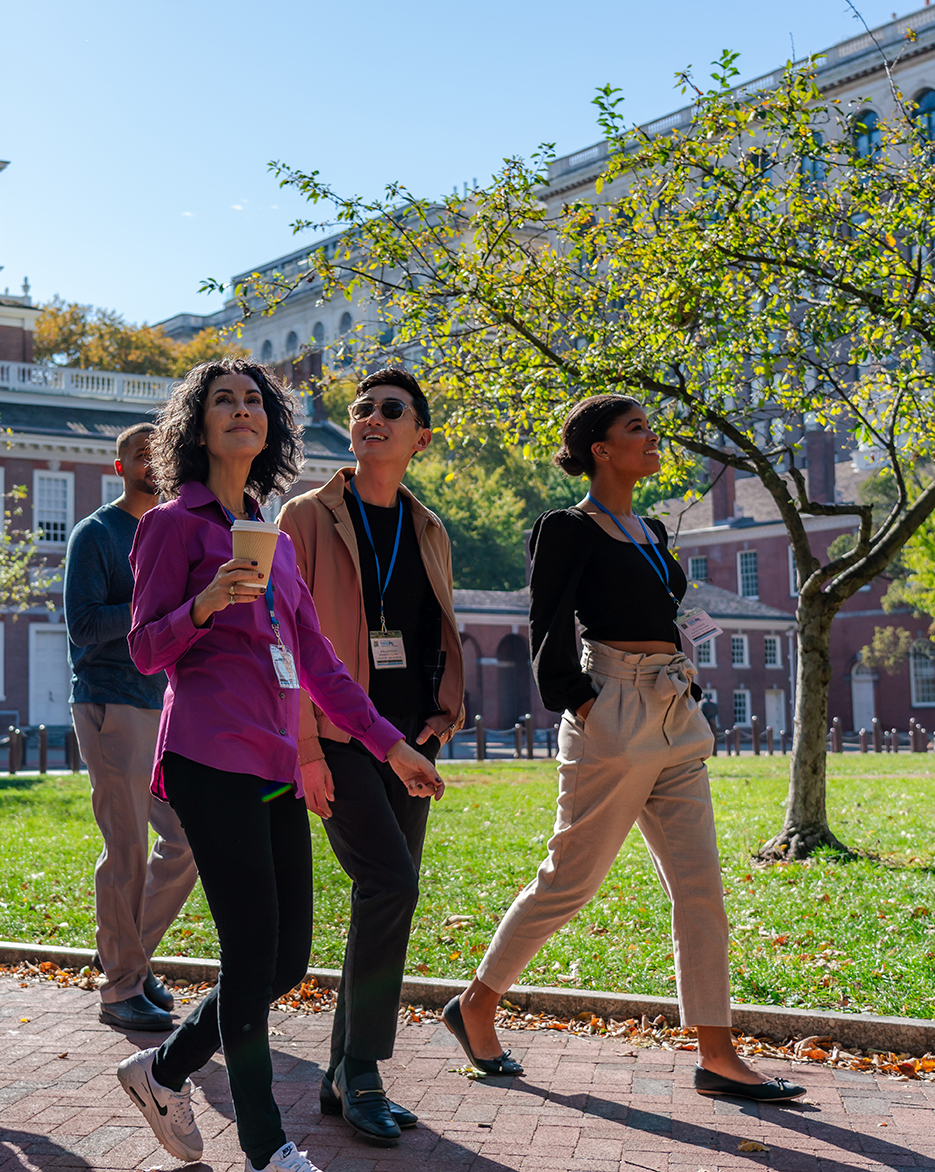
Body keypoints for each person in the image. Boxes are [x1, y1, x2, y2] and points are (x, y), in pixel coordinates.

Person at [116, 360, 446, 1172]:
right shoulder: (172, 523)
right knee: (249, 946)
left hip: (273, 762)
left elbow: (324, 668)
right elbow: (143, 646)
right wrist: (205, 603)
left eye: (254, 402)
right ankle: (267, 1146)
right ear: (197, 425)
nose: (241, 411)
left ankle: (161, 1071)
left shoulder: (269, 530)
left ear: (271, 428)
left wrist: (391, 744)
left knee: (288, 958)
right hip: (203, 755)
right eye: (223, 400)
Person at [445, 394, 806, 1103]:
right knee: (568, 881)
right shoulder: (567, 528)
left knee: (701, 887)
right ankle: (477, 1002)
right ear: (600, 450)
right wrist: (582, 700)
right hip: (610, 711)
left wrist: (687, 686)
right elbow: (545, 623)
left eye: (649, 426)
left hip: (674, 713)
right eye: (635, 428)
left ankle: (717, 1051)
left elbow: (669, 612)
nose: (651, 437)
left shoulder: (651, 528)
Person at [276, 367, 465, 1146]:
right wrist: (305, 748)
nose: (372, 418)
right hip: (339, 733)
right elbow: (280, 641)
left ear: (421, 436)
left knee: (384, 893)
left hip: (408, 740)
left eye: (392, 410)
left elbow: (437, 629)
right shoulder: (306, 516)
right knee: (389, 881)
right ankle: (363, 1070)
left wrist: (441, 716)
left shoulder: (429, 527)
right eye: (361, 409)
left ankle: (337, 1071)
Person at [64, 422, 198, 1034]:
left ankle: (128, 958)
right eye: (138, 455)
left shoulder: (171, 529)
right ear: (120, 469)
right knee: (126, 847)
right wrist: (155, 610)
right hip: (110, 703)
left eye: (157, 453)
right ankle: (121, 989)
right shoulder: (96, 534)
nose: (150, 462)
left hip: (164, 705)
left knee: (187, 839)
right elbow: (85, 626)